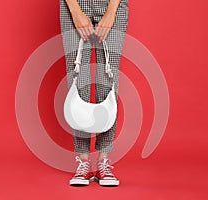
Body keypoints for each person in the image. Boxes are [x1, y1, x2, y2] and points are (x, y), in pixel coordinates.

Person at [59, 0, 129, 186]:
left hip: (112, 4)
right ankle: (83, 162)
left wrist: (111, 12)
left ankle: (103, 162)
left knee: (108, 83)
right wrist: (75, 11)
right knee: (78, 82)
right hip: (74, 4)